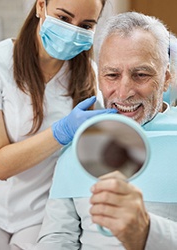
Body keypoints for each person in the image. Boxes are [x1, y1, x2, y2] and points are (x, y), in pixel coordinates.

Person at [0, 0, 118, 249]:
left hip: (44, 213)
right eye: (64, 18)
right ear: (40, 6)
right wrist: (62, 131)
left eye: (86, 25)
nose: (73, 31)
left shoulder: (90, 75)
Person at [35, 12, 177, 250]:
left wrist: (148, 232)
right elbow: (57, 237)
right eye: (112, 75)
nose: (123, 93)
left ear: (165, 79)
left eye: (141, 75)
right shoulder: (79, 145)